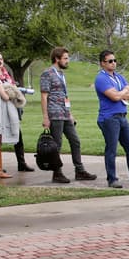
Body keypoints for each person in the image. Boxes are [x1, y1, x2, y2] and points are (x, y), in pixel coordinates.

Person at [94, 50, 129, 189]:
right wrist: (123, 93)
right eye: (110, 61)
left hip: (122, 116)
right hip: (109, 118)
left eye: (115, 60)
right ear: (102, 63)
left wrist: (121, 93)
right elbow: (114, 97)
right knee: (112, 149)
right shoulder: (101, 78)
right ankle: (112, 179)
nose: (114, 63)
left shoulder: (119, 77)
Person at [40, 47, 96, 184]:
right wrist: (46, 117)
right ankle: (57, 173)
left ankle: (79, 170)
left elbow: (65, 95)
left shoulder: (61, 74)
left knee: (75, 141)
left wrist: (70, 113)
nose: (67, 61)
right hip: (55, 114)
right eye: (65, 58)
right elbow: (44, 96)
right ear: (56, 59)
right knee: (57, 144)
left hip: (65, 114)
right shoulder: (47, 74)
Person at [0, 50, 33, 172]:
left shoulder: (6, 73)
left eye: (1, 59)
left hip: (11, 108)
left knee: (17, 135)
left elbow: (12, 87)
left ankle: (21, 163)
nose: (0, 61)